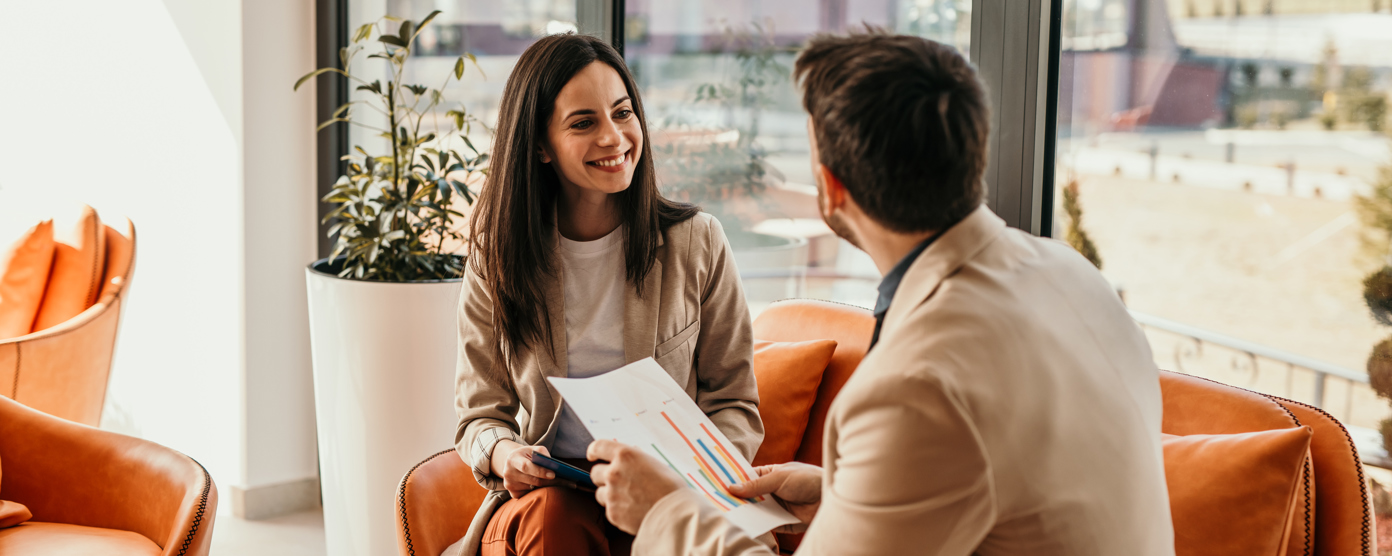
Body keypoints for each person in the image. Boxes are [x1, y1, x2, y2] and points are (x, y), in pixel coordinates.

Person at [585, 31, 1176, 555]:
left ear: (832, 187)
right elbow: (1018, 492)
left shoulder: (916, 389)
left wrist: (666, 513)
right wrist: (844, 499)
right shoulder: (1074, 275)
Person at [451, 33, 764, 556]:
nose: (614, 138)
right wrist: (506, 454)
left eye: (622, 113)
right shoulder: (497, 256)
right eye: (583, 123)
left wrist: (688, 481)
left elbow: (734, 402)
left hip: (669, 485)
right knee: (554, 520)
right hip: (554, 493)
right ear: (540, 146)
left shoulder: (697, 242)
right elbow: (478, 415)